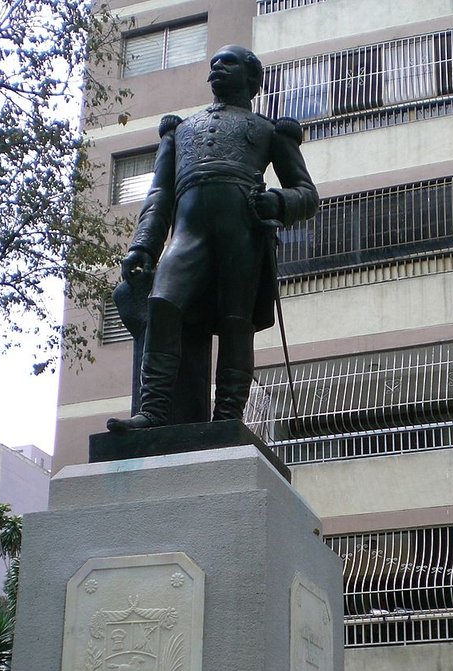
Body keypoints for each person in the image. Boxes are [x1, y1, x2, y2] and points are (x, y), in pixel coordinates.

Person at [107, 44, 319, 431]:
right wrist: (143, 245)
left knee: (236, 322)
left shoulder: (271, 131)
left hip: (241, 236)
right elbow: (160, 195)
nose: (218, 68)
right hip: (189, 235)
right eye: (214, 64)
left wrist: (276, 201)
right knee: (163, 303)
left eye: (229, 63)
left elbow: (307, 194)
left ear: (252, 78)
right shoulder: (180, 130)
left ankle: (227, 417)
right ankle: (153, 410)